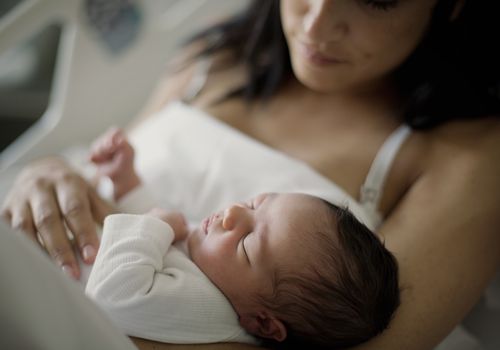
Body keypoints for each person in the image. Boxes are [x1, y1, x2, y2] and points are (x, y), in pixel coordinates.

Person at [2, 1, 500, 350]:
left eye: (376, 0)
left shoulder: (466, 156)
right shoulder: (215, 57)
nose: (318, 23)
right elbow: (105, 177)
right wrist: (48, 175)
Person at [83, 127, 399, 348]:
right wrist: (127, 182)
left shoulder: (207, 306)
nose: (233, 213)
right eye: (254, 204)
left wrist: (153, 223)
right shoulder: (213, 263)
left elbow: (112, 295)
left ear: (261, 323)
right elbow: (156, 247)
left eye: (247, 244)